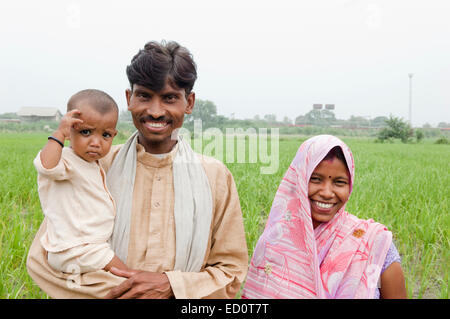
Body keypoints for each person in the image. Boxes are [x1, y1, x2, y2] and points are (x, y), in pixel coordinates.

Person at [26, 40, 248, 299]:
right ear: (129, 99)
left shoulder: (215, 177)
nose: (155, 111)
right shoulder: (90, 167)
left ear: (189, 103)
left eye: (169, 98)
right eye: (144, 95)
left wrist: (172, 286)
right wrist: (126, 294)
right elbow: (45, 259)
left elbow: (230, 272)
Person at [242, 135, 406, 299]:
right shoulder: (274, 243)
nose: (327, 193)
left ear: (350, 185)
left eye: (339, 182)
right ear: (298, 180)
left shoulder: (374, 243)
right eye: (315, 179)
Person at [33, 89, 129, 276]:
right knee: (127, 276)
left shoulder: (93, 164)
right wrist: (59, 134)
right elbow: (46, 166)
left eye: (106, 135)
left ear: (114, 135)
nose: (96, 142)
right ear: (70, 132)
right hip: (76, 249)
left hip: (86, 247)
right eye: (86, 132)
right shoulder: (66, 160)